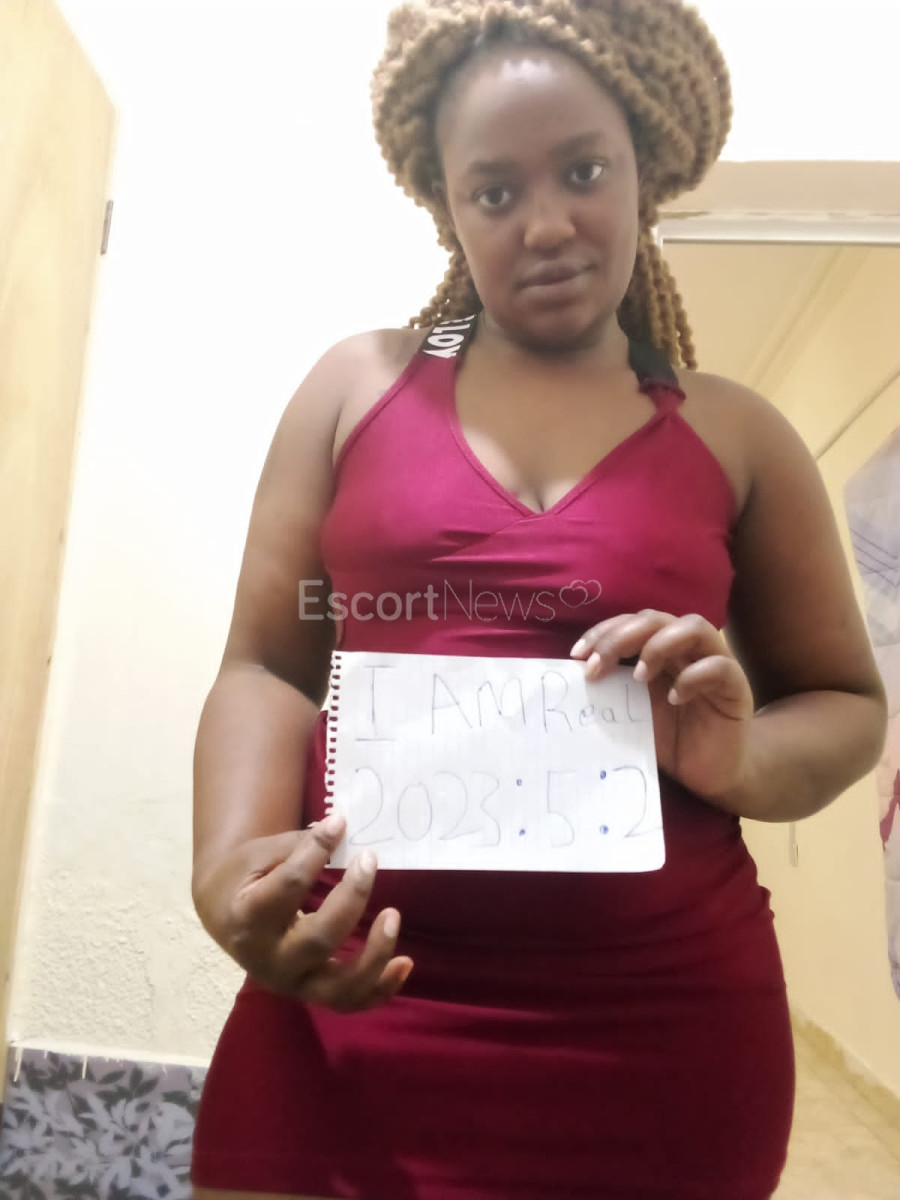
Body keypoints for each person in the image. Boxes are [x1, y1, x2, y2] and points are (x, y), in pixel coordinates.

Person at [189, 1, 888, 1197]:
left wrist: (739, 760)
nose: (547, 222)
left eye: (583, 171)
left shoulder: (739, 435)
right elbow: (266, 665)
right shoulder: (355, 387)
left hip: (659, 1035)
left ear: (642, 168)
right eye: (496, 190)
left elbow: (846, 704)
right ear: (447, 206)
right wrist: (227, 869)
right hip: (346, 1000)